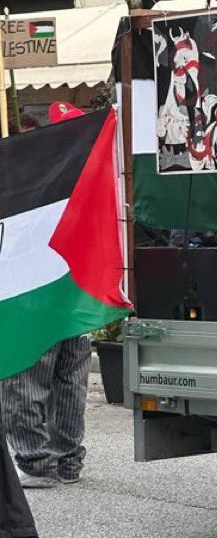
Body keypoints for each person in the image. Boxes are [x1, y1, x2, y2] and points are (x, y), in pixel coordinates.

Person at [1, 102, 92, 488]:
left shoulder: (33, 179)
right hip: (76, 288)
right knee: (70, 376)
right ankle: (67, 459)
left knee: (26, 374)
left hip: (36, 288)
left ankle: (37, 462)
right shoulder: (89, 175)